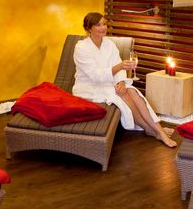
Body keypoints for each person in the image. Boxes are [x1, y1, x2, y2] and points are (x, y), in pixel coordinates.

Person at [72, 12, 177, 148]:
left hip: (109, 83)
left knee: (132, 91)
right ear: (88, 28)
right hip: (90, 87)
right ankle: (154, 130)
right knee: (123, 93)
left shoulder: (109, 44)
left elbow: (118, 68)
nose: (103, 27)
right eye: (98, 25)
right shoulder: (81, 47)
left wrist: (121, 81)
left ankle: (157, 130)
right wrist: (120, 67)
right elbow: (95, 75)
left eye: (104, 24)